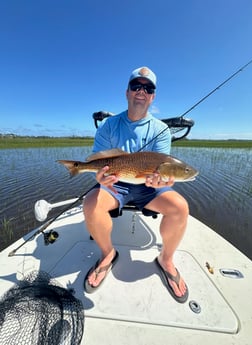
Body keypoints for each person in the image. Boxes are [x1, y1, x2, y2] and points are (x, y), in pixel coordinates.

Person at [83, 66, 189, 303]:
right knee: (91, 204)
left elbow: (161, 166)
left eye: (148, 88)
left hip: (147, 184)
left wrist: (158, 181)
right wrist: (99, 177)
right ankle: (108, 254)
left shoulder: (161, 130)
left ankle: (166, 259)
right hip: (117, 182)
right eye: (136, 86)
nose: (141, 91)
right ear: (127, 92)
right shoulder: (109, 125)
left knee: (180, 207)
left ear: (152, 96)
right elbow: (98, 160)